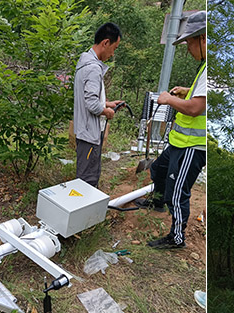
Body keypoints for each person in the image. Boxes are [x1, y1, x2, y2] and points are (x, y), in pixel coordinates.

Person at [135, 11, 206, 249]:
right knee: (158, 169)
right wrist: (188, 90)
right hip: (179, 142)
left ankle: (177, 238)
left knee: (177, 192)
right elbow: (200, 97)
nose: (188, 48)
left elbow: (196, 108)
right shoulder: (205, 67)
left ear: (203, 39)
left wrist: (168, 100)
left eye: (189, 43)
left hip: (192, 147)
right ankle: (156, 202)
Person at [74, 23, 124, 188]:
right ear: (105, 43)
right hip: (89, 135)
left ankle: (84, 210)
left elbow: (87, 97)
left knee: (86, 176)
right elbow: (91, 104)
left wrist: (107, 104)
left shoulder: (85, 62)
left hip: (84, 131)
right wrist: (106, 111)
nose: (113, 53)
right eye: (114, 48)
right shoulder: (93, 69)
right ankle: (83, 212)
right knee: (87, 181)